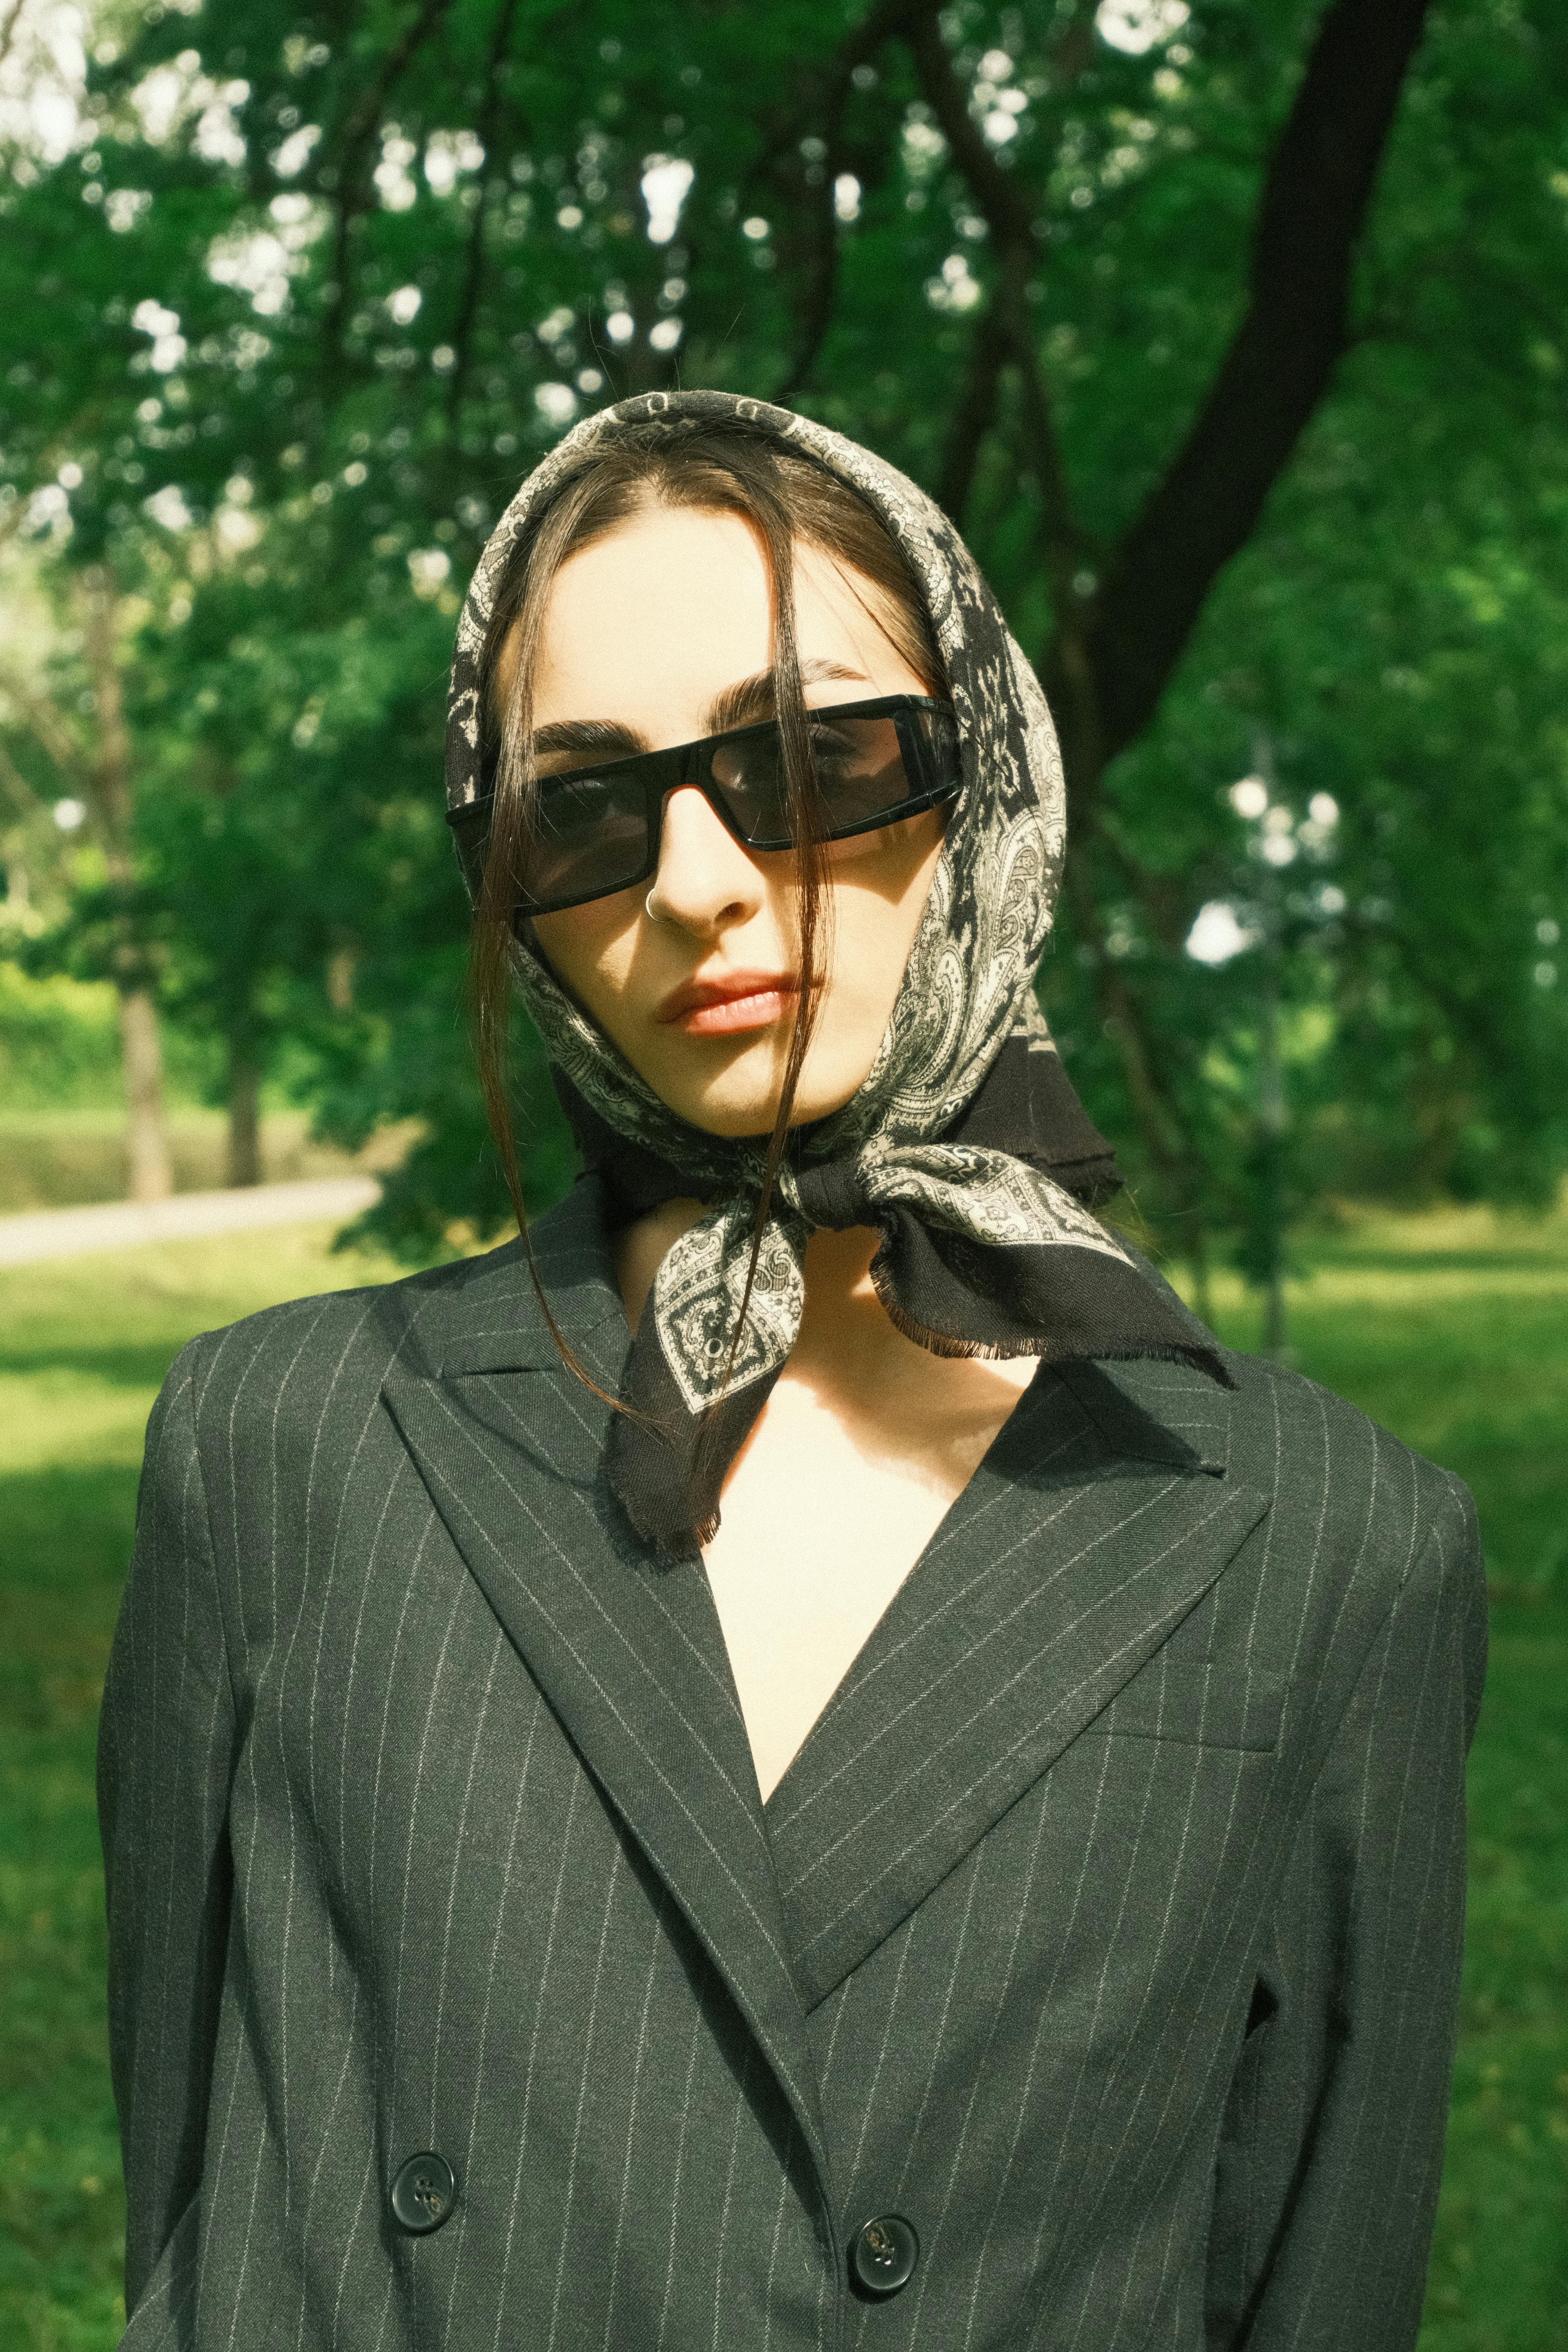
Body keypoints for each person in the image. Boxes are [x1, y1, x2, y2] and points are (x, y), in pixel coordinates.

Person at [99, 390, 1485, 2352]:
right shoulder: (280, 1453)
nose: (699, 880)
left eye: (816, 759)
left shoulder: (1337, 1547)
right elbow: (190, 2231)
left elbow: (1314, 2279)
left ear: (984, 766)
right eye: (580, 806)